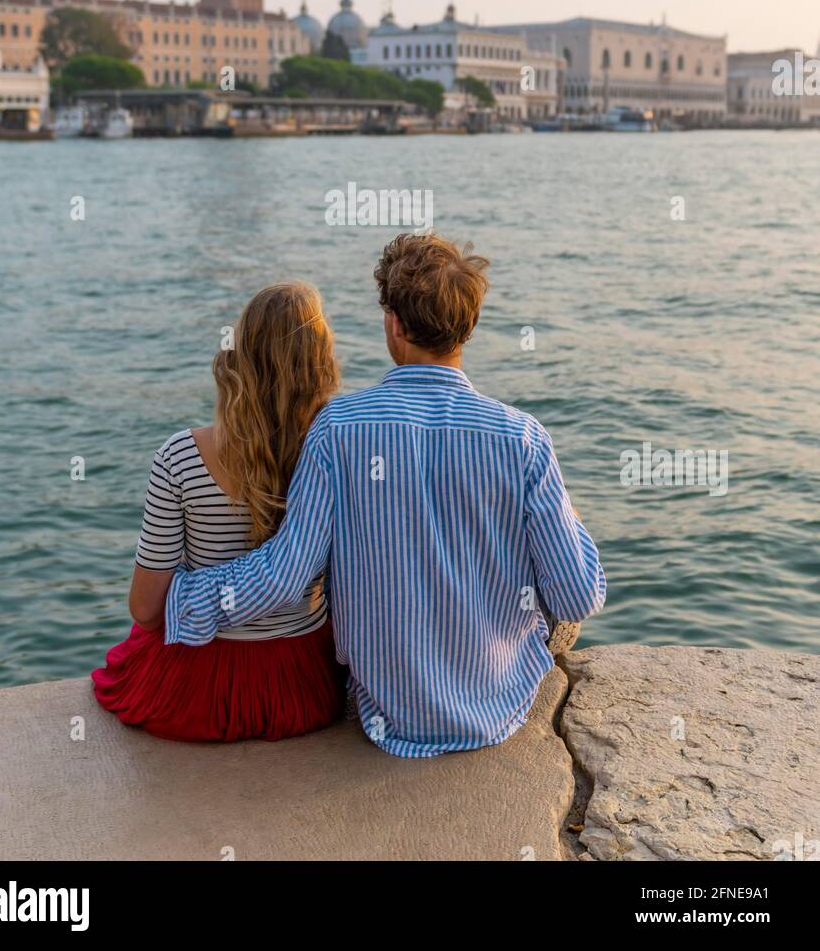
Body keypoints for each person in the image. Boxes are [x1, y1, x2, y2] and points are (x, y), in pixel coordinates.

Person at [164, 233, 606, 758]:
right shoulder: (523, 437)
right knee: (557, 559)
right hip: (499, 706)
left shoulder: (339, 429)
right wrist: (567, 516)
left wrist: (183, 599)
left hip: (386, 712)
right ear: (468, 327)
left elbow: (285, 575)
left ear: (393, 325)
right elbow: (578, 597)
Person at [92, 282, 346, 741]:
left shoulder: (179, 457)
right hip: (303, 685)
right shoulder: (337, 451)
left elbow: (146, 611)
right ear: (321, 363)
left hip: (196, 689)